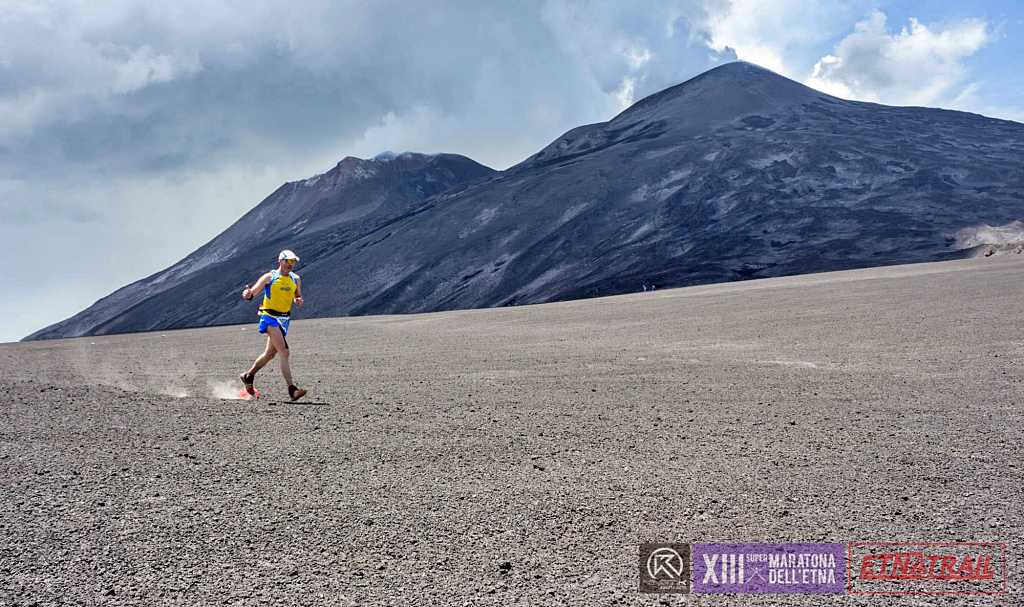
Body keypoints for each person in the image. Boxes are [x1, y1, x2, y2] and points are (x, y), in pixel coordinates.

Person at [239, 249, 307, 401]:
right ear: (280, 261)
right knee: (284, 351)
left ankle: (248, 376)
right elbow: (252, 293)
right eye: (288, 261)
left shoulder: (295, 279)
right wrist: (247, 294)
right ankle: (292, 389)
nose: (291, 264)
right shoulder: (270, 277)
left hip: (284, 320)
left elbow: (298, 295)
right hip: (269, 317)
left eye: (293, 262)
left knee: (270, 354)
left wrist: (298, 300)